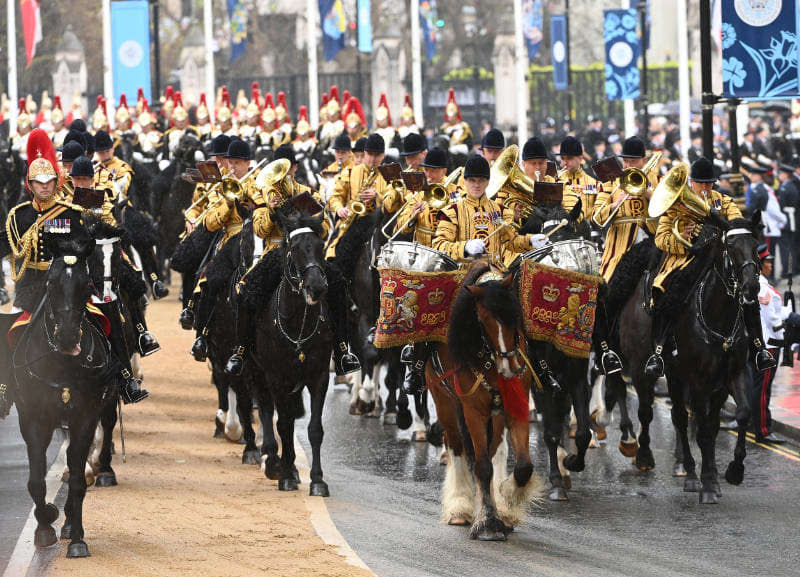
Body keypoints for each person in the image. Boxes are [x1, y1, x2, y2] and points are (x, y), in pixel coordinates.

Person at [0, 130, 147, 403]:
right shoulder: (19, 216)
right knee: (5, 328)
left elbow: (93, 234)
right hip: (32, 286)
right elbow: (5, 245)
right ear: (29, 184)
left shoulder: (71, 209)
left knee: (110, 313)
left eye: (49, 182)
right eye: (38, 183)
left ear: (57, 181)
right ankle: (5, 389)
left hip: (69, 283)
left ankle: (126, 379)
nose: (44, 187)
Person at [225, 145, 359, 377]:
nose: (284, 174)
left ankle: (342, 350)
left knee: (338, 285)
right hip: (276, 252)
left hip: (305, 253)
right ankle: (241, 350)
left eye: (288, 168)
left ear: (295, 168)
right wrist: (273, 211)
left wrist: (302, 215)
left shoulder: (309, 194)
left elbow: (325, 228)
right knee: (246, 290)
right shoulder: (263, 194)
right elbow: (259, 229)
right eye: (279, 169)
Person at [645, 157, 776, 377]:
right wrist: (682, 238)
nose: (706, 188)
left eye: (710, 183)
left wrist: (730, 229)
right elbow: (661, 239)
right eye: (701, 183)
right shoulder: (676, 204)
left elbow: (737, 224)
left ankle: (758, 346)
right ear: (691, 182)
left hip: (719, 257)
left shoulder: (723, 201)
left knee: (747, 292)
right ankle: (659, 351)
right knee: (669, 293)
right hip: (686, 257)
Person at [190, 139, 256, 361]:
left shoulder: (259, 182)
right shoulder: (223, 184)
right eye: (231, 162)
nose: (234, 167)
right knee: (211, 281)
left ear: (248, 163)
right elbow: (209, 222)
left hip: (256, 237)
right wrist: (228, 204)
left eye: (238, 163)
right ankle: (203, 335)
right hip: (230, 239)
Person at [325, 134, 392, 260]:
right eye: (370, 154)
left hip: (380, 223)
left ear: (383, 155)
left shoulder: (389, 174)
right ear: (365, 153)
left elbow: (395, 201)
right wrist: (339, 208)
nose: (372, 159)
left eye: (377, 155)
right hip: (354, 221)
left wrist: (377, 196)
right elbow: (335, 196)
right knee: (335, 252)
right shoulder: (350, 172)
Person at [748, 245, 788, 444]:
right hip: (769, 344)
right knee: (762, 389)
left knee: (758, 387)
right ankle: (763, 430)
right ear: (759, 264)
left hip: (761, 342)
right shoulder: (761, 286)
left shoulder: (759, 283)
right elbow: (772, 319)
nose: (771, 265)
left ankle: (754, 424)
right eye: (767, 262)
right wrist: (785, 331)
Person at [747, 165, 786, 280]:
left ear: (760, 177)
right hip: (762, 222)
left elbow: (754, 208)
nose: (751, 177)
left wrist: (782, 221)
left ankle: (769, 276)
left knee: (764, 252)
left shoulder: (759, 190)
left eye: (754, 175)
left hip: (760, 222)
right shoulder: (760, 188)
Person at [558, 135, 598, 222]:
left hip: (587, 232)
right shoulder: (554, 180)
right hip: (562, 232)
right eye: (562, 158)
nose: (564, 162)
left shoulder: (594, 183)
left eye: (569, 158)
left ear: (580, 159)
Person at [777, 164, 799, 279]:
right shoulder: (791, 186)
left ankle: (787, 270)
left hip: (787, 220)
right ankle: (793, 269)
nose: (779, 176)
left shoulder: (786, 187)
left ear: (786, 175)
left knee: (786, 247)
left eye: (780, 174)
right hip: (791, 219)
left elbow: (781, 205)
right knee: (791, 246)